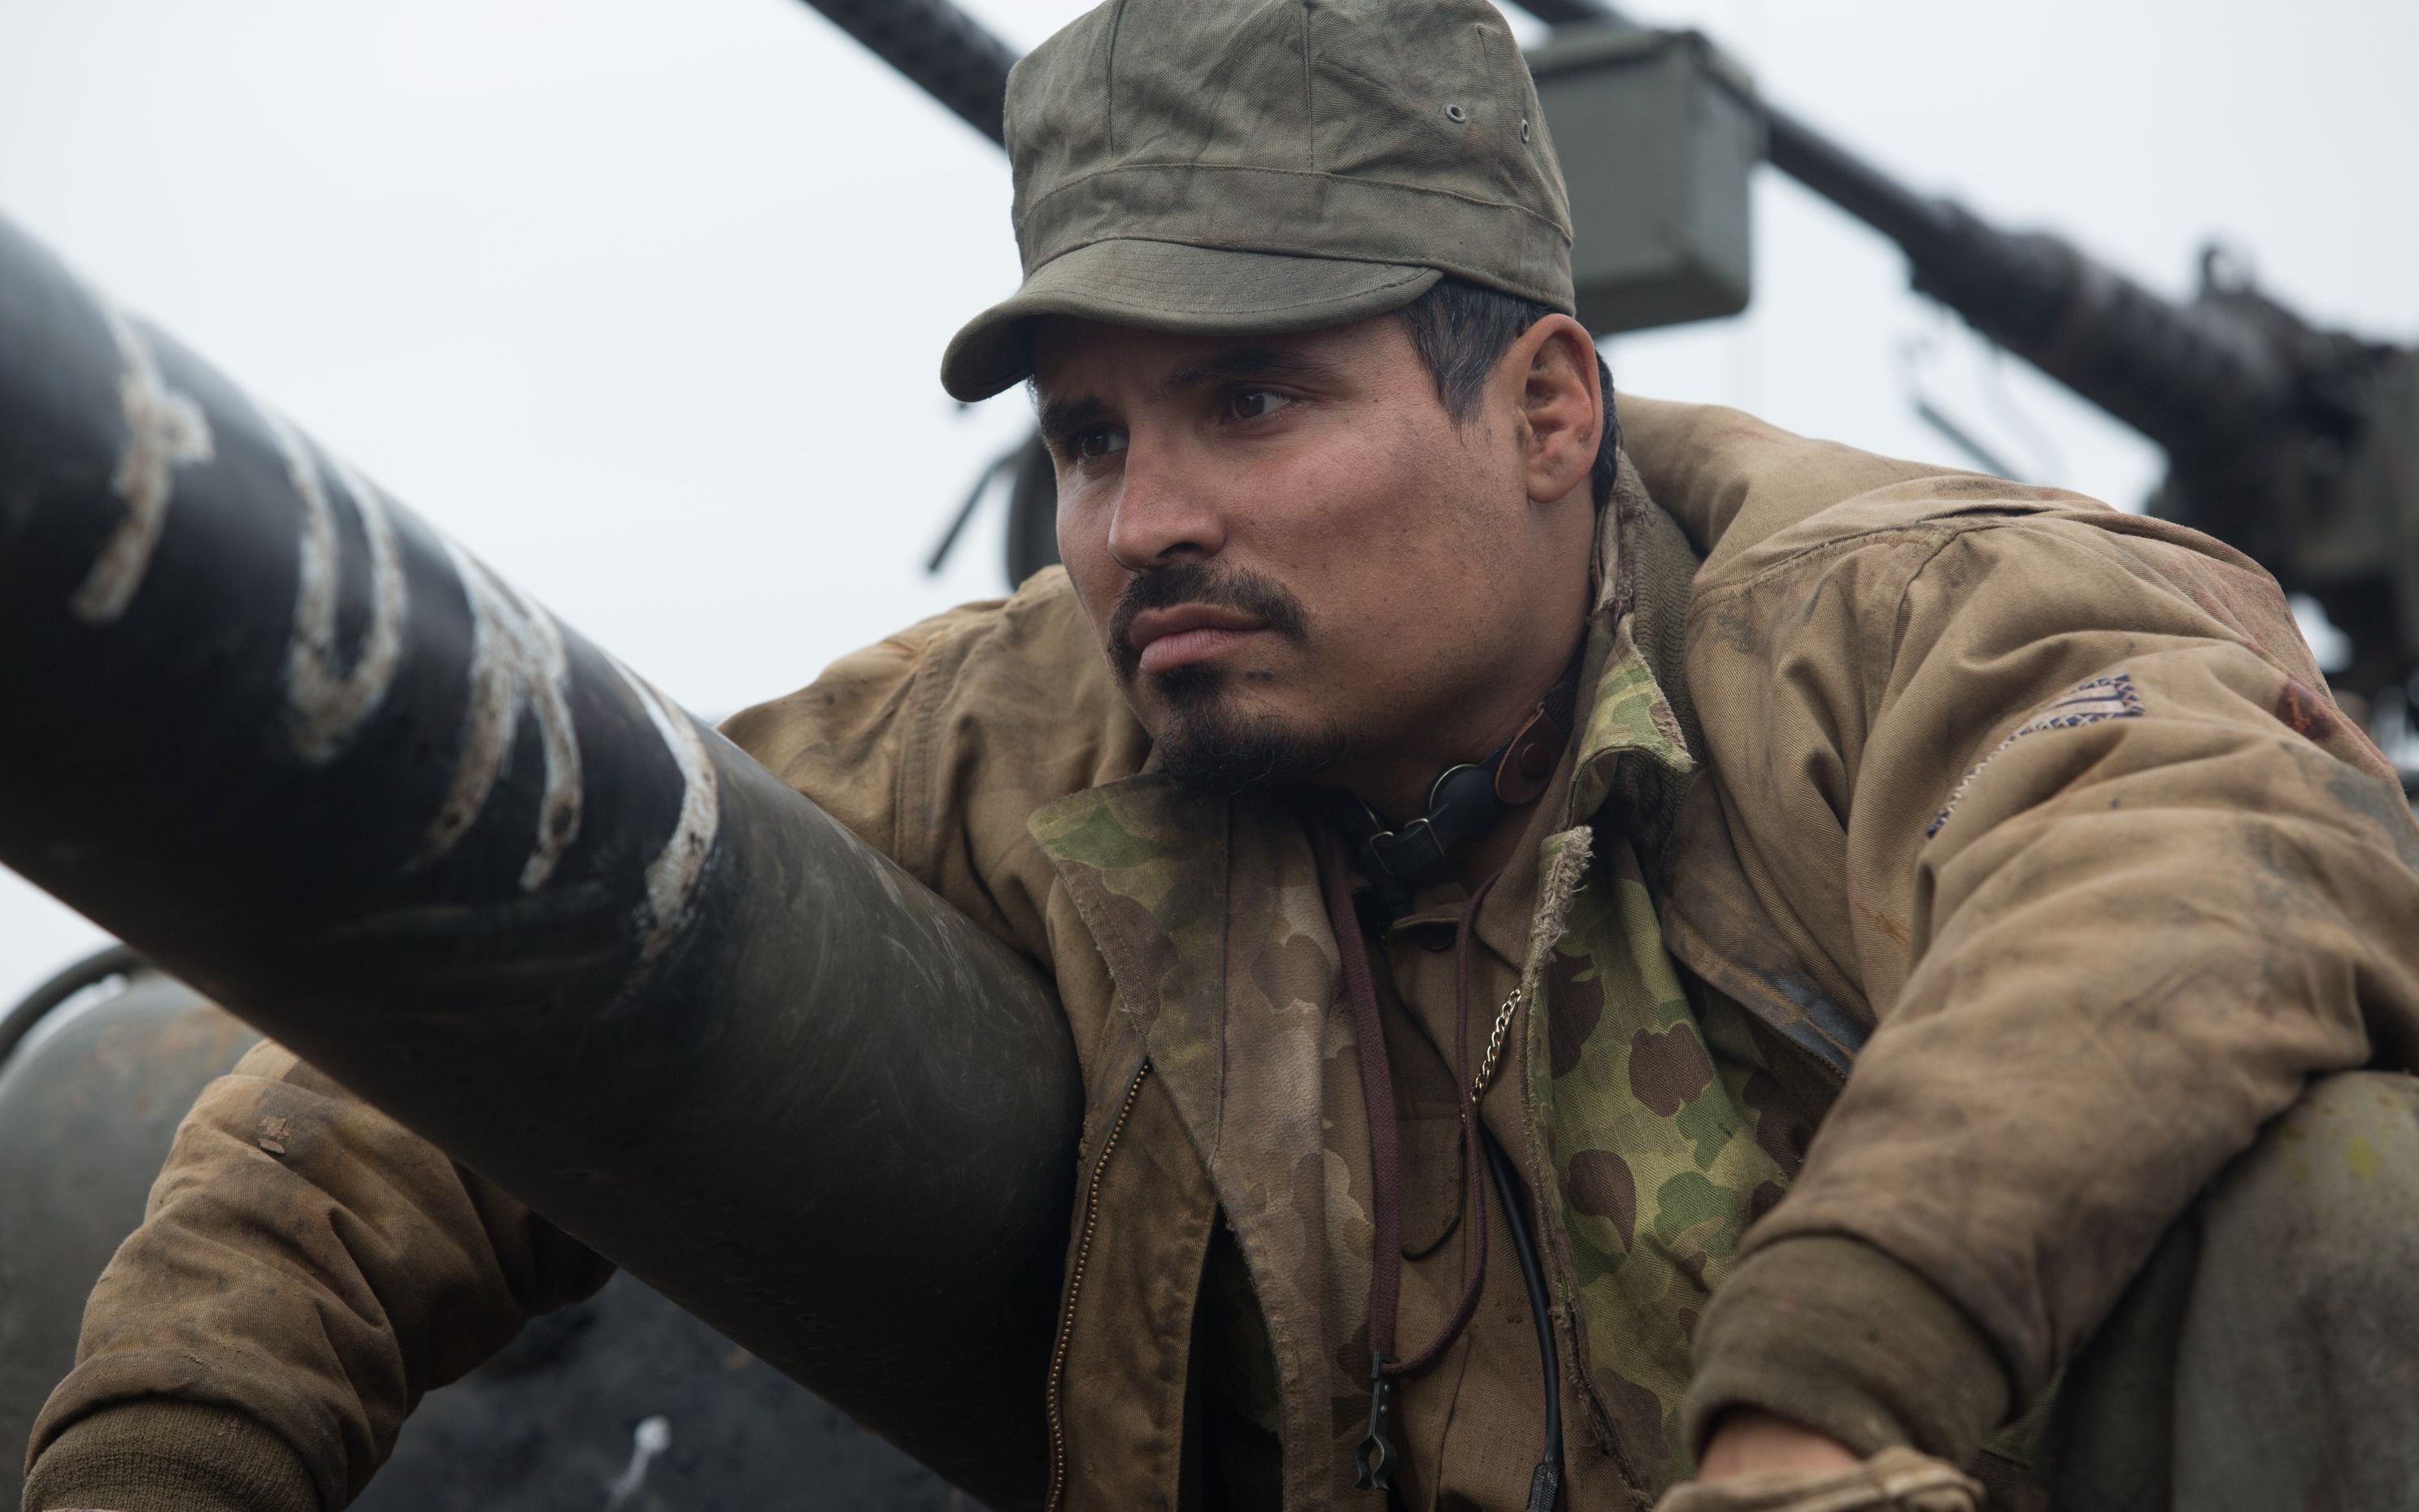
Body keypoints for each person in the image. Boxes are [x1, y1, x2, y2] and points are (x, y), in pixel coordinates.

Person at [23, 2, 2419, 1510]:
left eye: (1252, 400)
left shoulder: (1884, 619)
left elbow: (2206, 850)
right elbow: (468, 1001)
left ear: (1550, 407)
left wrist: (1826, 1396)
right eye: (1089, 435)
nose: (1139, 520)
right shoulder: (1056, 721)